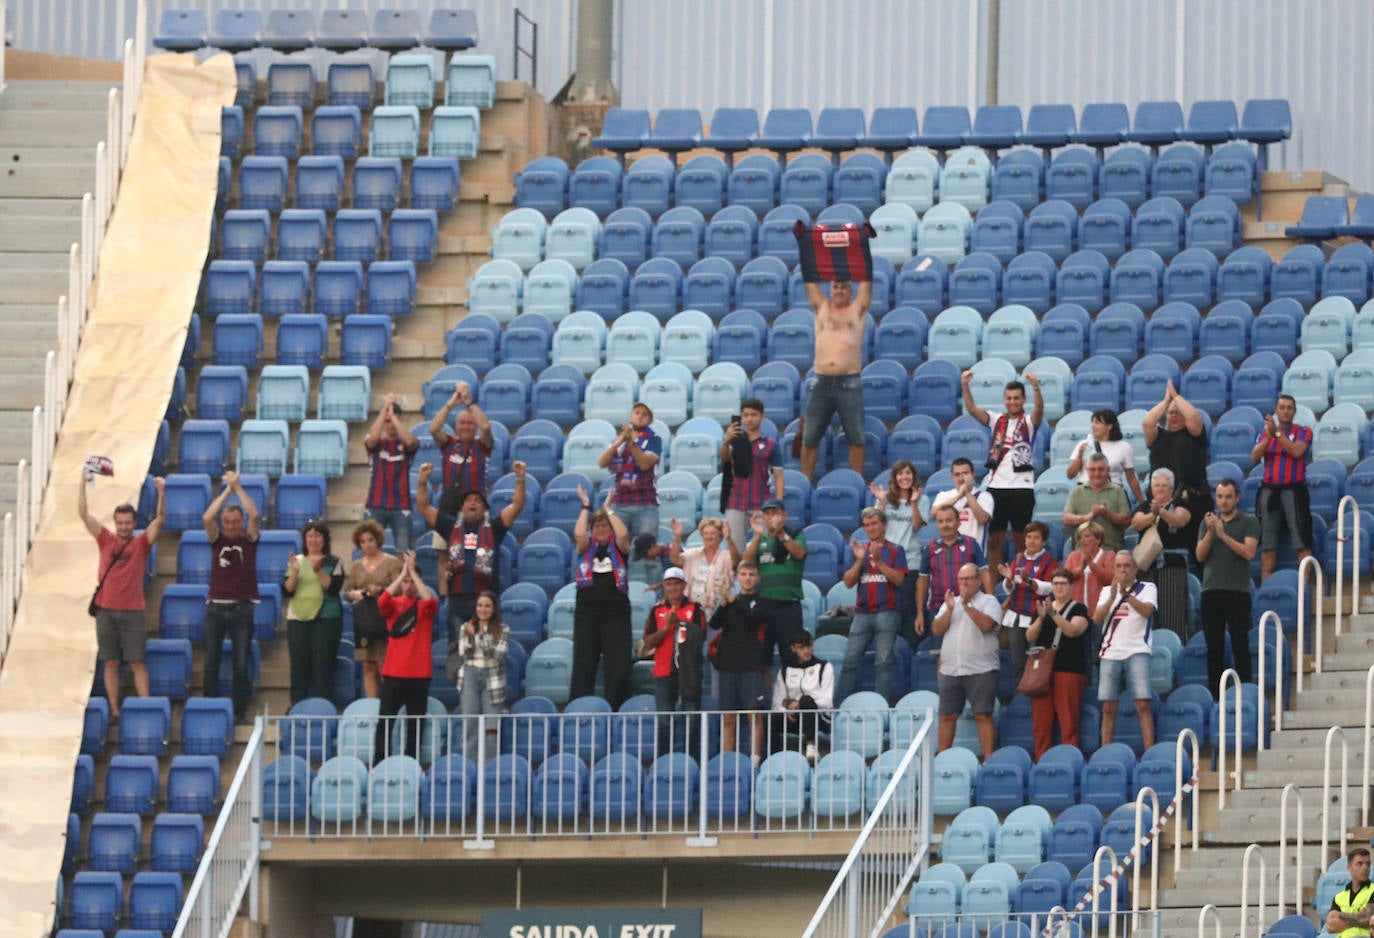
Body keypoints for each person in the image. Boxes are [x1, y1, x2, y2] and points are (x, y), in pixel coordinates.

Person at [79, 471, 164, 720]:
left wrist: (161, 492)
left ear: (134, 523)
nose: (124, 526)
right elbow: (83, 514)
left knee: (138, 662)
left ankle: (146, 707)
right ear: (115, 523)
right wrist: (82, 483)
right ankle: (115, 711)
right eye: (120, 523)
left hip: (133, 611)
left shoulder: (141, 544)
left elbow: (160, 520)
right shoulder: (105, 540)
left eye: (128, 523)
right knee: (111, 663)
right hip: (106, 610)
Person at [415, 459, 526, 642]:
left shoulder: (494, 528)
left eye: (478, 500)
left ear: (484, 509)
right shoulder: (450, 526)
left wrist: (520, 479)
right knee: (456, 650)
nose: (473, 503)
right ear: (462, 507)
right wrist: (421, 481)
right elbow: (423, 507)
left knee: (486, 650)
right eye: (469, 500)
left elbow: (516, 506)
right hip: (456, 602)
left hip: (485, 602)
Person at [961, 372, 1044, 565]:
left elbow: (1039, 410)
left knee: (1022, 541)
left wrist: (1036, 388)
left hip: (1022, 488)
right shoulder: (995, 419)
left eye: (1016, 398)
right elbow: (972, 409)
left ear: (1023, 399)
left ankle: (1023, 580)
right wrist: (965, 385)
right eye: (1009, 398)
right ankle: (993, 588)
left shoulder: (1029, 422)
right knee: (994, 541)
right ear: (1004, 400)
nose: (1012, 402)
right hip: (996, 487)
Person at [202, 472, 260, 723]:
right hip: (215, 608)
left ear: (241, 521)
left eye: (235, 521)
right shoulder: (217, 539)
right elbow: (206, 517)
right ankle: (210, 708)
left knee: (240, 664)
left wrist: (238, 488)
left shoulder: (249, 539)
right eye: (227, 521)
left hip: (241, 609)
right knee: (211, 662)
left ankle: (238, 711)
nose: (231, 526)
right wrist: (226, 490)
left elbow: (255, 515)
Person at [799, 277, 871, 480]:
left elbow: (867, 284)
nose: (839, 291)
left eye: (843, 287)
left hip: (849, 382)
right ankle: (805, 481)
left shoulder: (857, 310)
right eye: (835, 287)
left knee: (856, 438)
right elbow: (809, 280)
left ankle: (855, 481)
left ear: (850, 291)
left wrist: (863, 251)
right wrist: (807, 248)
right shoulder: (822, 308)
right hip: (821, 382)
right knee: (809, 438)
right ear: (830, 290)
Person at [570, 486, 634, 708]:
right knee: (583, 662)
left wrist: (609, 510)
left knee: (618, 664)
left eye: (604, 524)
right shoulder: (586, 546)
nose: (601, 528)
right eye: (597, 525)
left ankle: (617, 709)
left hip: (616, 610)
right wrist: (586, 506)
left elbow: (624, 534)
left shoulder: (619, 546)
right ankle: (579, 710)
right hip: (588, 610)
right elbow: (579, 534)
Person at [931, 563, 1003, 759]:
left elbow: (988, 625)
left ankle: (989, 759)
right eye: (961, 579)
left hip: (981, 669)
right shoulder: (949, 602)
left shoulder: (989, 602)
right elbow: (937, 629)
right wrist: (950, 609)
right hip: (951, 669)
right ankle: (942, 759)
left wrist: (967, 606)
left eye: (968, 579)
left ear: (978, 581)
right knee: (947, 716)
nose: (964, 583)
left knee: (983, 715)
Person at [372, 551, 438, 763]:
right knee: (385, 722)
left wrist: (414, 572)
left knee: (415, 725)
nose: (408, 586)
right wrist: (402, 573)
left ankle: (411, 764)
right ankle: (380, 762)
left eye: (412, 582)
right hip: (393, 672)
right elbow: (382, 601)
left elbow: (429, 599)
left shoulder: (424, 606)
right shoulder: (394, 604)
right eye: (406, 582)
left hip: (419, 673)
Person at [1196, 479, 1260, 692]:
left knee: (1240, 644)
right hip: (1210, 591)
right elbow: (1200, 555)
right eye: (1220, 496)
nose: (1223, 501)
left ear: (1237, 498)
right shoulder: (1207, 524)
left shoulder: (1249, 521)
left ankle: (1246, 692)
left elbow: (1249, 553)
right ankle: (1217, 696)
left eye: (1228, 497)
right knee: (1213, 648)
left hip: (1237, 592)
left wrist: (1223, 535)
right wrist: (1211, 533)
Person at [838, 508, 908, 703]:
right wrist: (860, 560)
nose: (870, 528)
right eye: (867, 525)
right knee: (849, 662)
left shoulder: (895, 550)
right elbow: (849, 582)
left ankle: (881, 708)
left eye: (874, 524)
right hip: (862, 613)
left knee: (883, 663)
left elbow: (899, 580)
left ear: (884, 525)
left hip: (887, 612)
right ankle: (839, 709)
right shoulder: (860, 550)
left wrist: (879, 562)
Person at [1025, 569, 1092, 759]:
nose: (1059, 587)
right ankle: (1042, 761)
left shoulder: (1078, 608)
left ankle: (1070, 761)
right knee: (1040, 724)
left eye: (1063, 583)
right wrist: (1040, 617)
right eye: (1056, 584)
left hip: (1068, 669)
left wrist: (1054, 614)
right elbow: (1029, 636)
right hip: (1042, 674)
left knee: (1068, 721)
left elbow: (1073, 630)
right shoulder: (1042, 608)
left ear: (1071, 586)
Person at [640, 566, 707, 754]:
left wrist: (681, 624)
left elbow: (701, 636)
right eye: (669, 584)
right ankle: (664, 764)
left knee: (691, 722)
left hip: (690, 672)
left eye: (676, 584)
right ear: (664, 586)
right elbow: (648, 642)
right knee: (664, 722)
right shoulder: (657, 610)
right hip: (663, 671)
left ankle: (692, 763)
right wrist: (666, 628)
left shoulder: (695, 608)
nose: (673, 588)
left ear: (683, 585)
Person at [1093, 553, 1157, 749]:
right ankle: (1105, 750)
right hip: (1110, 652)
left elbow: (1147, 611)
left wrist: (1126, 596)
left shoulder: (1147, 588)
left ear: (1135, 569)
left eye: (1127, 566)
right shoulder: (1106, 591)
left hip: (1137, 649)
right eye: (1119, 566)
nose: (1123, 570)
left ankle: (1149, 750)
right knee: (1108, 706)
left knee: (1142, 704)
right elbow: (1096, 618)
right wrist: (1113, 596)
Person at [709, 562, 770, 766]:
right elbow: (714, 624)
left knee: (754, 716)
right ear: (737, 578)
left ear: (758, 578)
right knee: (728, 718)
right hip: (728, 666)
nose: (747, 578)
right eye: (743, 574)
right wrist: (725, 603)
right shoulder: (730, 602)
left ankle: (754, 762)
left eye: (752, 574)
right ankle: (727, 761)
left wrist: (732, 599)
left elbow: (753, 618)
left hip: (752, 666)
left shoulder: (762, 601)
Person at [1251, 394, 1314, 581]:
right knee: (1268, 545)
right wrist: (1269, 437)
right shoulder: (1265, 433)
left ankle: (1303, 591)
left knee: (1302, 542)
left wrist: (1277, 434)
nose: (1285, 411)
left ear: (1294, 411)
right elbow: (1254, 457)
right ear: (1276, 410)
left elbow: (1296, 451)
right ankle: (1266, 589)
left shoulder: (1304, 431)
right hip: (1270, 490)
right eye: (1282, 407)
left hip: (1294, 491)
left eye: (1289, 408)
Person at [599, 401, 663, 584]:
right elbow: (602, 463)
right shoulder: (619, 441)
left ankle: (658, 596)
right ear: (631, 416)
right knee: (614, 550)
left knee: (649, 552)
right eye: (637, 412)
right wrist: (619, 442)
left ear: (650, 420)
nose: (640, 416)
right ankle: (615, 590)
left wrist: (631, 443)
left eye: (645, 414)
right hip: (620, 503)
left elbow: (644, 464)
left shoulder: (654, 440)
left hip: (646, 503)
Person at [283, 521, 344, 705]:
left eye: (317, 535)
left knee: (323, 666)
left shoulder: (334, 561)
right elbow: (287, 590)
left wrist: (317, 570)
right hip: (298, 619)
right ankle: (296, 708)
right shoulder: (297, 561)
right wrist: (294, 572)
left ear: (324, 540)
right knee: (298, 666)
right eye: (310, 535)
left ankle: (325, 708)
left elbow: (333, 588)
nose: (313, 539)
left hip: (326, 619)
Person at [742, 498, 808, 664]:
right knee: (761, 655)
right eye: (767, 513)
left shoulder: (795, 534)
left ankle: (793, 689)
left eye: (775, 512)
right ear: (763, 517)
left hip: (789, 605)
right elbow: (746, 563)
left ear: (784, 515)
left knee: (792, 655)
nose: (771, 517)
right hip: (764, 604)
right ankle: (762, 690)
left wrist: (780, 534)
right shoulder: (759, 539)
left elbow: (799, 553)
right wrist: (757, 535)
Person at [343, 521, 403, 699]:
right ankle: (372, 706)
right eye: (363, 541)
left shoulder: (392, 563)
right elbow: (347, 592)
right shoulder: (356, 566)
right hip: (364, 621)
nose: (367, 544)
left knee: (384, 665)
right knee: (367, 665)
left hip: (384, 619)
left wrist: (382, 591)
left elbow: (399, 588)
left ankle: (389, 705)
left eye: (370, 540)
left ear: (378, 540)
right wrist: (361, 593)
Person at [914, 505, 992, 642]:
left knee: (969, 651)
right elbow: (922, 581)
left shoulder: (971, 544)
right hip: (938, 608)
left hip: (970, 606)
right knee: (941, 655)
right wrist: (920, 613)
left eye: (949, 520)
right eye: (941, 521)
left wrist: (991, 602)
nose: (945, 525)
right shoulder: (930, 548)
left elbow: (984, 573)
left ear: (958, 522)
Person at [447, 590, 509, 760]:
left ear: (494, 609)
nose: (483, 609)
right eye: (480, 605)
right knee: (470, 725)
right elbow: (464, 654)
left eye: (487, 606)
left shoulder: (503, 629)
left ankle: (489, 769)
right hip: (470, 675)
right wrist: (470, 635)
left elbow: (497, 657)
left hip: (493, 679)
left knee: (491, 729)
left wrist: (479, 636)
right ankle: (471, 768)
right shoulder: (465, 627)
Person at [871, 458, 928, 640]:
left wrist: (913, 503)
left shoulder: (922, 498)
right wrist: (880, 502)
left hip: (910, 560)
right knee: (888, 609)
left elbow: (918, 526)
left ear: (913, 476)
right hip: (888, 561)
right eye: (901, 473)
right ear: (895, 477)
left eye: (908, 473)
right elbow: (875, 526)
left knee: (907, 609)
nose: (905, 477)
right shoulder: (886, 498)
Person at [721, 397, 785, 551]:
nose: (749, 419)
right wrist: (726, 440)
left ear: (762, 416)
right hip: (736, 501)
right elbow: (724, 459)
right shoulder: (735, 441)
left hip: (762, 502)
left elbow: (778, 476)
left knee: (765, 548)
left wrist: (778, 505)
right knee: (735, 549)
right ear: (742, 417)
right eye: (746, 415)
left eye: (754, 415)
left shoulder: (771, 445)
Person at [998, 520, 1058, 682]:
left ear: (1043, 541)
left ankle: (1035, 700)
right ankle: (1020, 701)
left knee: (1035, 662)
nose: (1031, 541)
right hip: (1016, 616)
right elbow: (1009, 589)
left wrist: (1029, 581)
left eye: (1036, 537)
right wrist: (1009, 580)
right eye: (1028, 537)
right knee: (1017, 663)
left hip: (1035, 617)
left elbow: (1050, 587)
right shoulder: (1018, 559)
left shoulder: (1049, 561)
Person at [362, 392, 419, 553]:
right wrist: (385, 409)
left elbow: (411, 442)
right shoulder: (376, 444)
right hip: (375, 504)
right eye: (387, 422)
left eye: (394, 421)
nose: (391, 425)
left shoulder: (407, 443)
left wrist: (393, 415)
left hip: (401, 505)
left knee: (404, 553)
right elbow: (372, 439)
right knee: (368, 551)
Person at [431, 381, 495, 516]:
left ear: (475, 427)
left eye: (470, 423)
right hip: (449, 507)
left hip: (475, 508)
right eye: (462, 423)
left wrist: (469, 402)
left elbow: (485, 427)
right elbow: (434, 429)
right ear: (455, 426)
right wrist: (450, 404)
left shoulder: (482, 446)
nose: (465, 427)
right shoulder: (449, 444)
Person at [770, 629, 833, 763]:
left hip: (819, 718)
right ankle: (772, 758)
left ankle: (811, 748)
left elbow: (827, 701)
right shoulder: (785, 671)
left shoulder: (825, 667)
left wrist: (800, 704)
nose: (806, 651)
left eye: (809, 646)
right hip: (794, 717)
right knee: (771, 719)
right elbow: (777, 703)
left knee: (806, 700)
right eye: (801, 647)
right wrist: (787, 710)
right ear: (793, 648)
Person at [1142, 380, 1209, 498]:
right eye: (1171, 413)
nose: (1174, 416)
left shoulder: (1194, 435)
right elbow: (1147, 423)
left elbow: (1193, 416)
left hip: (1190, 496)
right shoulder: (1158, 436)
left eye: (1178, 413)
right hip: (1160, 496)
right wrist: (1166, 401)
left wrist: (1176, 396)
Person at [668, 516, 739, 622]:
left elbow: (736, 561)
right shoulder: (693, 554)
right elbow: (674, 559)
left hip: (719, 611)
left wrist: (729, 538)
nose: (708, 537)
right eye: (705, 533)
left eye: (712, 533)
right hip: (694, 610)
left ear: (720, 537)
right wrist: (677, 537)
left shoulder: (726, 556)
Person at [1067, 409, 1144, 504]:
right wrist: (1079, 455)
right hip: (1086, 491)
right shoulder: (1083, 445)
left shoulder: (1124, 447)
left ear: (1109, 426)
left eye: (1097, 423)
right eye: (1093, 423)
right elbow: (1070, 474)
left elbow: (1131, 478)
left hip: (1113, 491)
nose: (1093, 426)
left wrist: (1142, 501)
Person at [1062, 453, 1132, 551]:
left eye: (1100, 469)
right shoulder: (1076, 492)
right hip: (1082, 551)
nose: (1096, 474)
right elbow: (1067, 518)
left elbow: (1126, 519)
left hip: (1111, 550)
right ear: (1087, 471)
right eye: (1092, 470)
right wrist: (1089, 516)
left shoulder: (1118, 491)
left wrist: (1106, 514)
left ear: (1108, 470)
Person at [930, 457, 995, 553]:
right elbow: (934, 513)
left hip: (975, 553)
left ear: (973, 474)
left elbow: (982, 519)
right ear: (952, 477)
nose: (961, 478)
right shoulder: (944, 495)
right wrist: (959, 496)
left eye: (965, 473)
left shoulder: (984, 496)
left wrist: (968, 493)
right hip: (950, 553)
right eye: (957, 474)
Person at [1064, 522, 1116, 611]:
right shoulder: (1074, 556)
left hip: (1099, 609)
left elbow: (1109, 579)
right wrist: (1080, 569)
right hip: (1077, 612)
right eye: (1080, 537)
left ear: (1098, 539)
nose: (1082, 540)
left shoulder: (1109, 555)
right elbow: (1065, 579)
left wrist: (1091, 564)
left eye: (1087, 536)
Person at [1326, 847, 1374, 937]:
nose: (1365, 867)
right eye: (1360, 864)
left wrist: (1339, 916)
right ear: (1349, 867)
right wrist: (1359, 919)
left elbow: (1367, 919)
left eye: (1368, 864)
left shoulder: (1373, 890)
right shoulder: (1339, 897)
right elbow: (1330, 926)